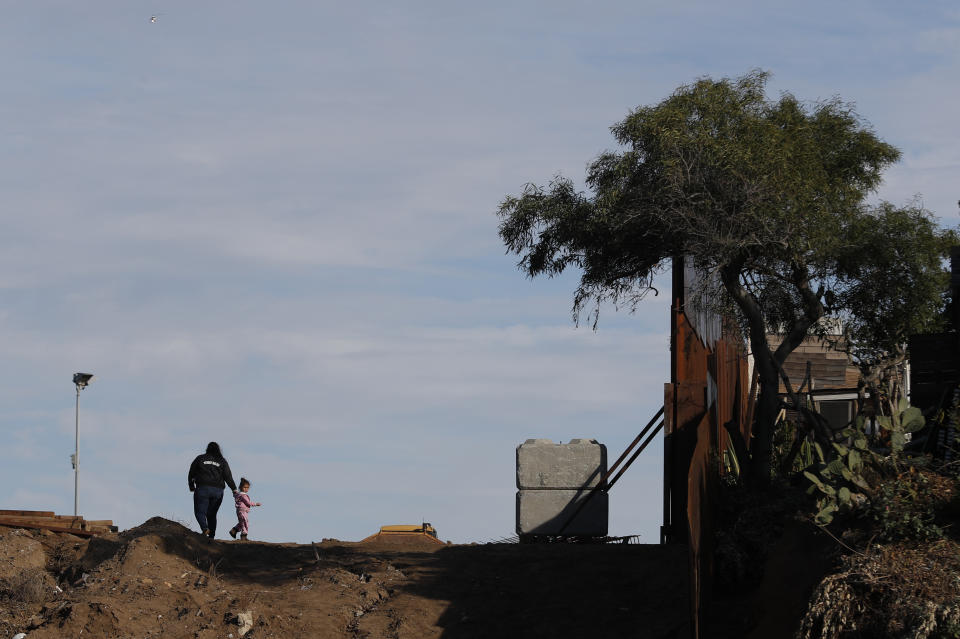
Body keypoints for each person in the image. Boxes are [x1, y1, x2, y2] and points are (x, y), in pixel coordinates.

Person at [187, 442, 237, 539]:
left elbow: (191, 472)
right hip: (218, 491)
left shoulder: (200, 458)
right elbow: (228, 477)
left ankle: (205, 528)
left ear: (207, 449)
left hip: (202, 488)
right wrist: (234, 489)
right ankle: (212, 536)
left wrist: (191, 485)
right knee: (212, 514)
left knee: (200, 512)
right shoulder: (222, 461)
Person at [229, 477, 262, 541]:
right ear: (241, 487)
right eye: (245, 487)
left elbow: (235, 494)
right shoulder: (243, 496)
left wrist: (234, 491)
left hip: (239, 511)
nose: (246, 489)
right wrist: (256, 504)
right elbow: (248, 503)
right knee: (245, 522)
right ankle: (244, 535)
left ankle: (234, 530)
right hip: (243, 511)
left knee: (242, 522)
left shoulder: (238, 494)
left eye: (247, 488)